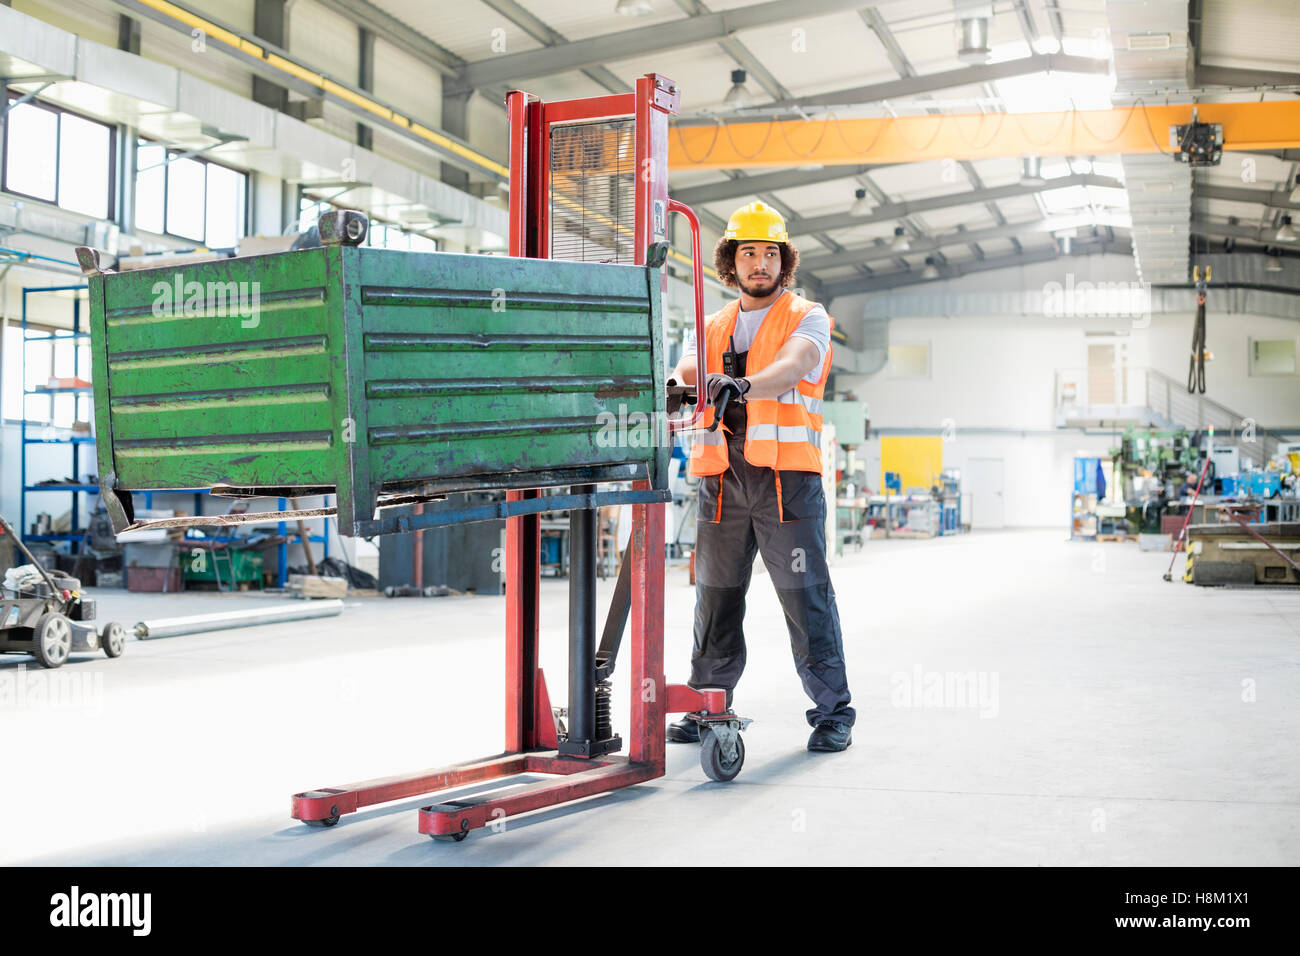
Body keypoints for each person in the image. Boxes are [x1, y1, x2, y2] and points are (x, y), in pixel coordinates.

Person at [666, 201, 854, 753]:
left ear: (783, 261)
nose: (759, 263)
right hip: (722, 482)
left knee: (805, 598)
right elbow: (687, 370)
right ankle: (708, 703)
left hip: (785, 485)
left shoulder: (807, 315)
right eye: (748, 252)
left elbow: (795, 364)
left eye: (770, 252)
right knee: (715, 598)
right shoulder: (712, 323)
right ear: (731, 261)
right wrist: (680, 387)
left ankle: (832, 712)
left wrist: (742, 385)